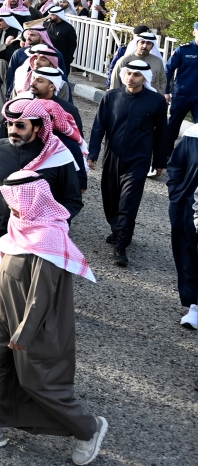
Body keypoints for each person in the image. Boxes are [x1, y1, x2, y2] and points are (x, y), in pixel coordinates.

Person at [0, 170, 108, 466]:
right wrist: (0, 296)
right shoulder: (21, 223)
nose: (9, 204)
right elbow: (10, 262)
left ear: (32, 199)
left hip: (33, 324)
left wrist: (25, 331)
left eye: (13, 198)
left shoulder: (47, 234)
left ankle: (88, 428)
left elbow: (41, 294)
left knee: (39, 380)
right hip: (5, 311)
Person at [0, 96, 85, 327]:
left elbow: (73, 200)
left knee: (29, 302)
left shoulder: (57, 157)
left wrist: (50, 223)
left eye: (20, 125)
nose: (13, 130)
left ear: (38, 126)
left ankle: (22, 357)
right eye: (9, 124)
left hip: (37, 244)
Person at [88, 59, 169, 267]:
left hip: (138, 160)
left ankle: (121, 245)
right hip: (112, 158)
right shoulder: (111, 97)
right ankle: (118, 228)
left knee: (129, 201)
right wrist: (93, 154)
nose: (131, 78)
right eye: (129, 74)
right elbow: (98, 128)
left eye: (137, 75)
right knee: (110, 199)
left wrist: (160, 161)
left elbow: (162, 135)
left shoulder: (156, 102)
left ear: (145, 78)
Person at [167, 121, 198, 329]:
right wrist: (177, 194)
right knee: (189, 255)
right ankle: (194, 306)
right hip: (188, 208)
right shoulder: (193, 135)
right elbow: (176, 165)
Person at [164, 21, 198, 156]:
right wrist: (166, 91)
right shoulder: (183, 49)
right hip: (182, 95)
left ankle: (192, 158)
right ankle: (166, 156)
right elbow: (168, 70)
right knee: (173, 127)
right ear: (194, 32)